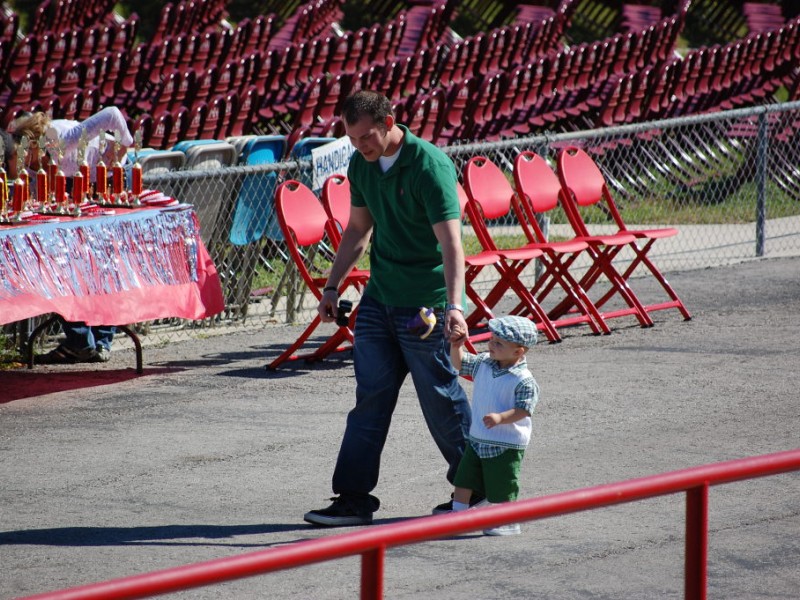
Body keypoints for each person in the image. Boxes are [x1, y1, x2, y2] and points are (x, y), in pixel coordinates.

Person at [303, 90, 475, 526]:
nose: (360, 146)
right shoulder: (360, 164)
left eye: (365, 136)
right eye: (352, 138)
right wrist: (331, 285)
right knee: (370, 400)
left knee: (440, 397)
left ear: (390, 121)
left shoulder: (428, 165)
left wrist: (455, 305)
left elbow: (451, 244)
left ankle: (478, 489)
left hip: (425, 304)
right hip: (380, 299)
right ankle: (353, 499)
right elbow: (359, 229)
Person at [11, 107, 134, 364]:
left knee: (102, 263)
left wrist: (124, 145)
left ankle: (98, 342)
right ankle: (83, 342)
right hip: (84, 181)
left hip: (111, 175)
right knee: (73, 264)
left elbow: (112, 113)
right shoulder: (39, 161)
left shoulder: (65, 140)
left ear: (35, 144)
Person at [448, 315, 540, 536]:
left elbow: (524, 409)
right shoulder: (483, 363)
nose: (491, 345)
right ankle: (458, 514)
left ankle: (507, 520)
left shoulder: (524, 379)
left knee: (503, 483)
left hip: (506, 442)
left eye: (499, 343)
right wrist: (456, 346)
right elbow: (459, 364)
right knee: (464, 478)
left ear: (519, 352)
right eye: (492, 339)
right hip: (478, 437)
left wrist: (501, 418)